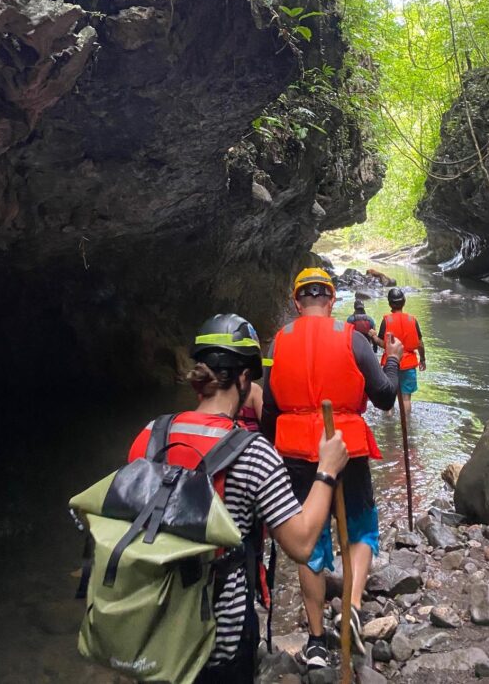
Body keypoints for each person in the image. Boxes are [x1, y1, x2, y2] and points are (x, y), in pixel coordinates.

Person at [127, 313, 349, 684]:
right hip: (221, 640)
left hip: (153, 622)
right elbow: (301, 543)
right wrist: (326, 470)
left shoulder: (150, 435)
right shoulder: (254, 453)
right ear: (244, 378)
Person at [261, 268, 404, 667]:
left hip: (295, 453)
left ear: (296, 302)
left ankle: (317, 640)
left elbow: (270, 407)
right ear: (331, 299)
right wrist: (391, 359)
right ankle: (353, 607)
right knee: (360, 529)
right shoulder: (353, 339)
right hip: (347, 447)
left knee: (310, 542)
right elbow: (387, 397)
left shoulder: (278, 342)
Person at [372, 287, 426, 423]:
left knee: (388, 396)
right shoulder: (412, 320)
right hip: (408, 364)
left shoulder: (387, 320)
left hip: (391, 364)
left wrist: (373, 336)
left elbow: (383, 344)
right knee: (406, 397)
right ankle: (406, 423)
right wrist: (423, 359)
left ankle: (388, 421)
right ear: (404, 302)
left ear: (390, 304)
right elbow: (420, 343)